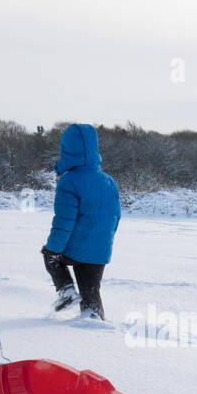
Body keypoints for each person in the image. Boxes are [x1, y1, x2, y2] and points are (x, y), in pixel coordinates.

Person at [41, 124, 121, 320]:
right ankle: (94, 324)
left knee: (49, 255)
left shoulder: (69, 181)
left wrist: (53, 249)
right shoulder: (109, 181)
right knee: (91, 294)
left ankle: (67, 291)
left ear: (67, 150)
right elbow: (115, 217)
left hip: (74, 248)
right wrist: (103, 241)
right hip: (100, 250)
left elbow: (64, 221)